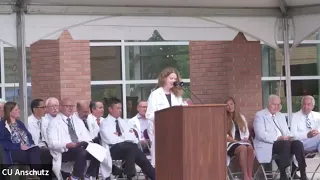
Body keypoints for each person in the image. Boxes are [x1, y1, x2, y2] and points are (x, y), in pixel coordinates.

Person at [253, 95, 307, 180]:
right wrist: (278, 138)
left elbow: (286, 131)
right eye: (274, 104)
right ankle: (284, 174)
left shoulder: (280, 116)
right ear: (268, 104)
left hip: (284, 144)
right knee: (284, 144)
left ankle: (303, 173)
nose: (277, 107)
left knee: (298, 144)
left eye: (278, 104)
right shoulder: (260, 115)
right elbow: (260, 134)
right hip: (269, 144)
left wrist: (290, 137)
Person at [100, 97, 155, 180]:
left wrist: (119, 135)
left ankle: (154, 176)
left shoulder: (122, 122)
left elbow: (132, 137)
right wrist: (124, 137)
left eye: (120, 108)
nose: (120, 110)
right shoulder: (104, 123)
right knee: (132, 148)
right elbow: (110, 140)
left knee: (135, 151)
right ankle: (130, 173)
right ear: (110, 109)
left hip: (127, 150)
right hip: (113, 150)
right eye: (117, 108)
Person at [47, 98, 100, 180]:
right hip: (65, 150)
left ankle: (87, 175)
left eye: (71, 106)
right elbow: (52, 144)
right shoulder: (53, 122)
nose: (70, 108)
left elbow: (87, 137)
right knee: (81, 152)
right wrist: (67, 144)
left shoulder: (78, 120)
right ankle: (74, 177)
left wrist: (86, 143)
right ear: (60, 107)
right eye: (67, 106)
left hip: (79, 146)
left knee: (98, 150)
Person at [145, 67, 185, 166]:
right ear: (164, 78)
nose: (173, 81)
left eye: (175, 79)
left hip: (176, 132)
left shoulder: (177, 95)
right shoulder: (155, 94)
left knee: (175, 161)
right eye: (171, 78)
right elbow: (149, 114)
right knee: (162, 162)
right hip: (161, 132)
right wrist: (165, 116)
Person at [0, 102, 41, 177]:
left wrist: (30, 145)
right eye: (16, 110)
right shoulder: (2, 125)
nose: (19, 111)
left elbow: (29, 136)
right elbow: (3, 143)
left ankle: (35, 174)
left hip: (26, 148)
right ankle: (35, 174)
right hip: (13, 151)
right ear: (9, 112)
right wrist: (19, 146)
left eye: (18, 109)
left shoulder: (20, 123)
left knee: (37, 149)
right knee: (30, 154)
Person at [225, 97, 254, 180]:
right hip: (229, 143)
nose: (230, 107)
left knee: (250, 148)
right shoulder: (223, 118)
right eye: (227, 105)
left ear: (234, 105)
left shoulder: (241, 117)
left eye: (231, 104)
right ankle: (245, 176)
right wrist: (236, 141)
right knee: (243, 148)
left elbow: (246, 131)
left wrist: (245, 138)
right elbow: (225, 136)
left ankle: (249, 175)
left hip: (241, 142)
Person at [291, 95, 320, 178]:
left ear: (313, 106)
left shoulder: (318, 115)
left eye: (308, 104)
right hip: (301, 143)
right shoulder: (295, 116)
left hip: (316, 143)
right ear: (301, 105)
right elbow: (293, 135)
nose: (306, 107)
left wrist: (317, 132)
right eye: (304, 104)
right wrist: (307, 135)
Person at [27, 98, 53, 168]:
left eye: (45, 107)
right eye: (43, 107)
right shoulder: (27, 122)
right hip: (35, 148)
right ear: (35, 109)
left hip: (47, 146)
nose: (45, 110)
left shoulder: (46, 121)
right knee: (46, 153)